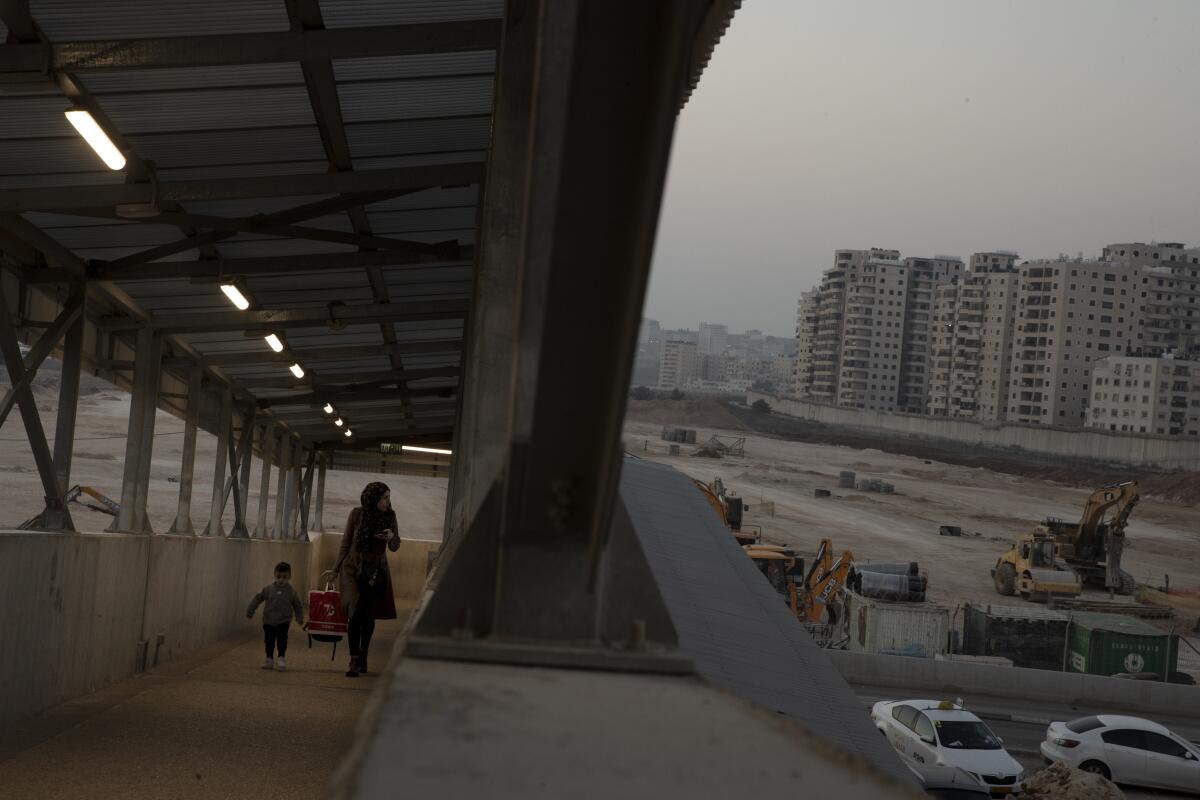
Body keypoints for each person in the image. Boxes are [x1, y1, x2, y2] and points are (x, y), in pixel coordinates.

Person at [330, 482, 400, 677]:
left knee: (368, 615)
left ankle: (363, 654)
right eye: (384, 497)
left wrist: (391, 537)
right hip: (352, 568)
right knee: (355, 612)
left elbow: (395, 546)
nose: (387, 501)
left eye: (388, 497)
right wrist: (335, 569)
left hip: (375, 571)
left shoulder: (390, 516)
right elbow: (346, 542)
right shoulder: (356, 514)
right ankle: (353, 660)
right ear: (373, 497)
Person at [247, 561, 304, 671]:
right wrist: (251, 610)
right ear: (275, 575)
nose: (281, 580)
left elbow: (298, 606)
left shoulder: (291, 592)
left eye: (284, 577)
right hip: (269, 620)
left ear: (289, 577)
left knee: (282, 639)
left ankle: (281, 658)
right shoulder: (268, 589)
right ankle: (269, 659)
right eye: (278, 577)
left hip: (284, 621)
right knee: (269, 640)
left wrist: (299, 617)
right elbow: (258, 598)